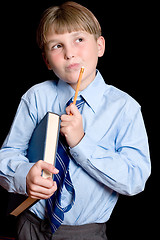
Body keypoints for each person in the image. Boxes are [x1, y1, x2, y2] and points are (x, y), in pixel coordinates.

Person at [0, 2, 151, 240]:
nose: (70, 53)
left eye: (79, 40)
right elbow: (8, 154)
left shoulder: (125, 108)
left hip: (85, 233)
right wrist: (24, 175)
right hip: (30, 225)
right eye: (57, 46)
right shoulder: (36, 97)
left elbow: (135, 178)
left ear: (100, 46)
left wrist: (81, 142)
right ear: (47, 60)